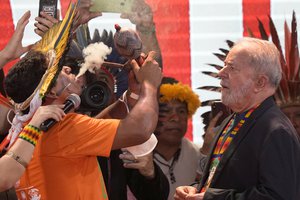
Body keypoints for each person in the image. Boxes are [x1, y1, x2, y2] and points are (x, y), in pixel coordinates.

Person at [174, 37, 300, 200]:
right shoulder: (232, 120)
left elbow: (279, 196)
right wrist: (195, 190)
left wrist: (211, 197)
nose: (221, 72)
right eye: (224, 65)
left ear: (260, 83)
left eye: (231, 68)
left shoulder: (276, 131)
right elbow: (223, 180)